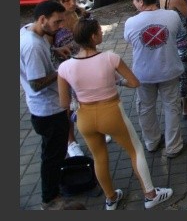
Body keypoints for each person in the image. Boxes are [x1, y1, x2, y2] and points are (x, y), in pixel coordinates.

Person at [57, 15, 174, 209]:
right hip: (111, 111)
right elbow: (135, 82)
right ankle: (150, 194)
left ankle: (110, 198)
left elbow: (63, 103)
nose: (102, 33)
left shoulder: (65, 67)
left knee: (99, 157)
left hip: (85, 118)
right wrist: (118, 81)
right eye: (99, 31)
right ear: (94, 37)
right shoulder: (110, 58)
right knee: (135, 150)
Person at [123, 0, 186, 159]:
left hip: (143, 74)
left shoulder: (131, 22)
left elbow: (129, 40)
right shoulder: (172, 16)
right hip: (170, 70)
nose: (134, 3)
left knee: (145, 108)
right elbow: (178, 33)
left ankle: (152, 142)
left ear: (141, 1)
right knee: (172, 107)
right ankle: (174, 145)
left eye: (134, 0)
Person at [20, 0, 70, 210]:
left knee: (52, 153)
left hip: (44, 108)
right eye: (57, 22)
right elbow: (36, 82)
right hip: (48, 110)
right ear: (42, 20)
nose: (60, 27)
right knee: (52, 157)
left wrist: (56, 50)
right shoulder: (32, 46)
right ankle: (50, 199)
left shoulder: (27, 31)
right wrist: (62, 71)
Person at [46, 0, 85, 157]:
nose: (71, 3)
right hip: (64, 70)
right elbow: (47, 49)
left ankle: (91, 126)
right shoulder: (52, 22)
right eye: (66, 0)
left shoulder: (77, 13)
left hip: (82, 64)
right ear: (56, 1)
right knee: (68, 107)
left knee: (84, 99)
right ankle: (71, 142)